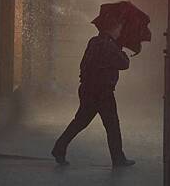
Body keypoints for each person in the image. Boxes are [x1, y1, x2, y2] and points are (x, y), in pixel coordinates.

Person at [51, 19, 136, 167]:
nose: (120, 32)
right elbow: (124, 64)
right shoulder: (109, 46)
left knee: (80, 122)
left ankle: (59, 147)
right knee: (112, 125)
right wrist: (120, 49)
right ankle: (118, 159)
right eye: (119, 29)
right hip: (103, 91)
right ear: (112, 29)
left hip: (88, 89)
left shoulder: (94, 41)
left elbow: (84, 64)